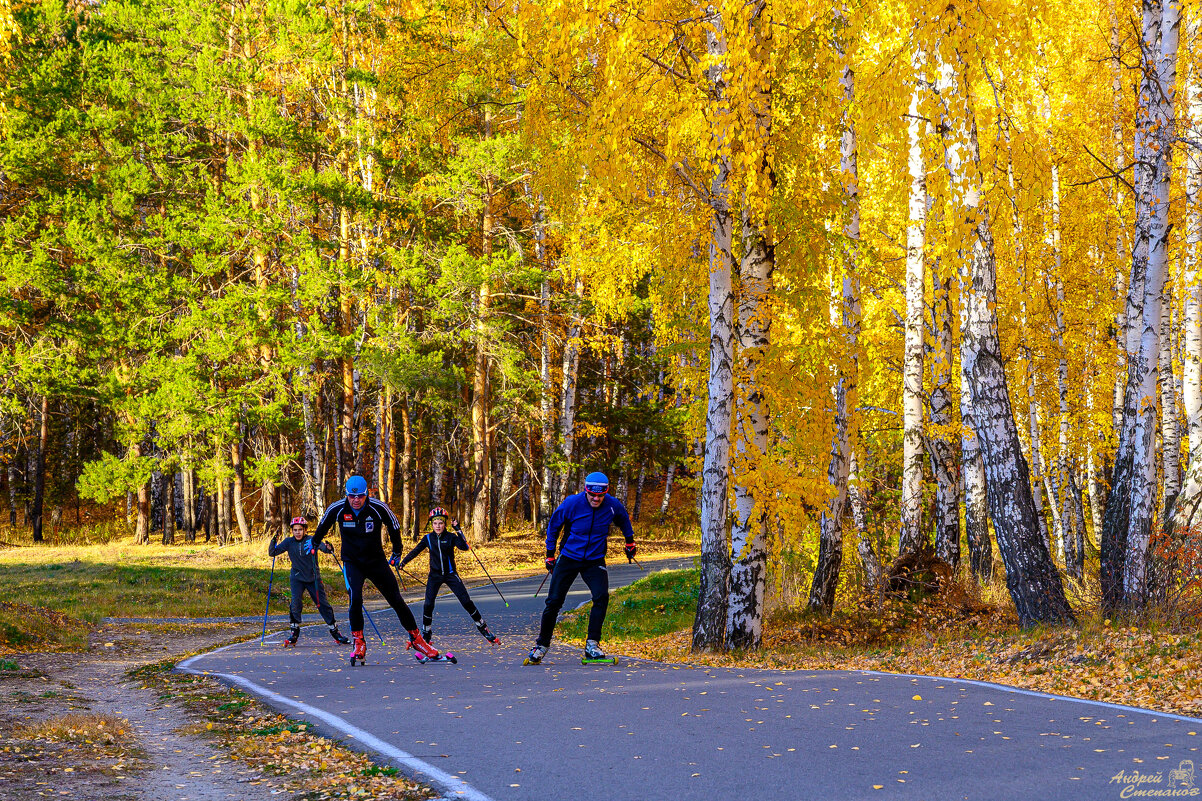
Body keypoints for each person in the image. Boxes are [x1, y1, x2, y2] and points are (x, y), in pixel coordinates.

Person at [312, 475, 441, 663]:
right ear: (346, 495)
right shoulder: (338, 508)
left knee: (396, 600)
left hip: (376, 562)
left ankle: (417, 639)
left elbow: (394, 526)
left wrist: (397, 552)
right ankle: (359, 642)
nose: (356, 501)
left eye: (360, 497)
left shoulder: (378, 508)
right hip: (352, 563)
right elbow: (322, 526)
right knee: (355, 598)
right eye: (351, 496)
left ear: (367, 495)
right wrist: (314, 543)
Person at [525, 471, 636, 665]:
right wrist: (550, 554)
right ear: (586, 491)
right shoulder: (572, 503)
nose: (596, 498)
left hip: (594, 559)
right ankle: (541, 646)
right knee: (554, 602)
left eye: (600, 495)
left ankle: (592, 645)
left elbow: (624, 520)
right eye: (592, 494)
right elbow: (553, 526)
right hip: (569, 557)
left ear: (606, 493)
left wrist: (630, 543)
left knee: (601, 597)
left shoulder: (612, 505)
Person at [399, 507, 499, 645]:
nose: (438, 526)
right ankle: (426, 634)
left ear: (445, 524)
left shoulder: (451, 537)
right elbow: (415, 551)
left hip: (451, 575)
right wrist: (403, 562)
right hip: (434, 575)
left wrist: (458, 529)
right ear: (431, 524)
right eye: (435, 523)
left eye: (440, 523)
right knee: (428, 605)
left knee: (466, 602)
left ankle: (483, 627)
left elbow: (465, 547)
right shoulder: (428, 538)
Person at [268, 516, 350, 646]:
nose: (298, 532)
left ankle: (336, 633)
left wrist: (329, 547)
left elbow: (326, 549)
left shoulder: (312, 540)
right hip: (297, 578)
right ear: (292, 531)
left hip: (313, 578)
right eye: (295, 530)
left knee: (323, 604)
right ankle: (294, 634)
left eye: (300, 529)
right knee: (296, 603)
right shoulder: (288, 542)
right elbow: (272, 552)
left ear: (305, 530)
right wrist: (274, 540)